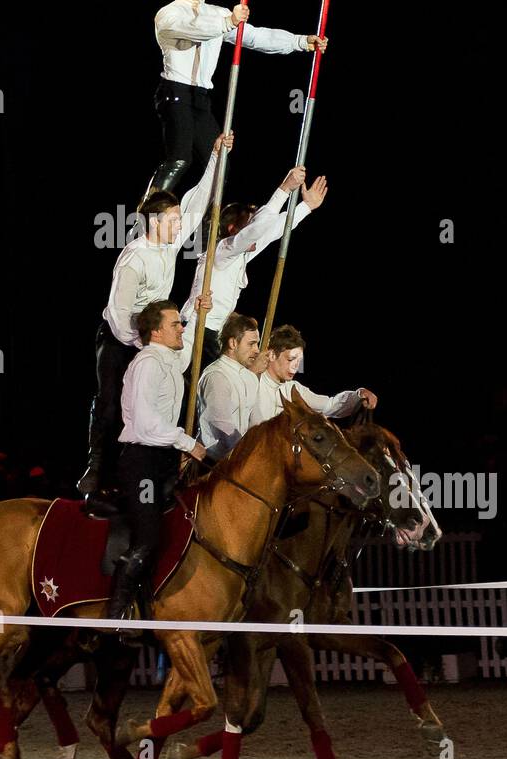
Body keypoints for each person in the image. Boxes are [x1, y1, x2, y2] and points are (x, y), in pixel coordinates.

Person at [77, 133, 232, 497]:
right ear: (156, 222)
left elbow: (197, 202)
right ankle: (96, 469)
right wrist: (142, 344)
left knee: (162, 400)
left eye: (179, 219)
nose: (181, 224)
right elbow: (118, 314)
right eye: (174, 219)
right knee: (114, 402)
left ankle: (158, 472)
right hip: (120, 338)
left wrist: (216, 157)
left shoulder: (170, 243)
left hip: (151, 338)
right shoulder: (134, 257)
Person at [145, 0, 327, 196]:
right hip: (175, 92)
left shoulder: (218, 14)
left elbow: (255, 36)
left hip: (201, 99)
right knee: (179, 159)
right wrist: (227, 23)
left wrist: (301, 42)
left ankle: (206, 224)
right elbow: (193, 29)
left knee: (220, 166)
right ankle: (147, 216)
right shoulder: (168, 14)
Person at [107, 300, 207, 639]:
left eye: (181, 323)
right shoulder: (148, 363)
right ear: (156, 331)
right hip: (142, 461)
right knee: (149, 536)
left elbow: (186, 352)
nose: (181, 328)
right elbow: (148, 425)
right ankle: (117, 615)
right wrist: (185, 442)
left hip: (162, 459)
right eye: (176, 324)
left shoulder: (167, 359)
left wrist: (197, 312)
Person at [181, 167, 328, 368]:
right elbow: (256, 231)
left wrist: (306, 207)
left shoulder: (241, 254)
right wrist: (284, 188)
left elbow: (271, 230)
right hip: (196, 329)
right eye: (250, 224)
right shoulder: (222, 250)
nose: (256, 232)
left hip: (213, 333)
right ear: (233, 229)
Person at [250, 324, 378, 426]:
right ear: (272, 355)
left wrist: (358, 395)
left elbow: (329, 406)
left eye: (299, 362)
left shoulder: (294, 388)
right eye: (291, 359)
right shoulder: (252, 381)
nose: (296, 366)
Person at [197, 313, 267, 460]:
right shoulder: (217, 375)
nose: (257, 350)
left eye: (257, 343)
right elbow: (221, 425)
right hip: (213, 462)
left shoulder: (250, 378)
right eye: (251, 344)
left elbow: (257, 422)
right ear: (233, 343)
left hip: (239, 461)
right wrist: (245, 455)